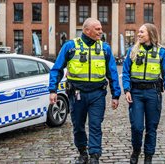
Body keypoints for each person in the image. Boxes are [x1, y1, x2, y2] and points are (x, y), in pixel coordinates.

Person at [48, 18, 121, 164]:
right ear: (87, 30)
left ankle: (94, 156)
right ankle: (82, 153)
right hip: (77, 94)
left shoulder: (105, 48)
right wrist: (53, 90)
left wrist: (115, 95)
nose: (101, 31)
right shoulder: (70, 47)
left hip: (97, 94)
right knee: (78, 126)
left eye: (101, 28)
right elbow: (56, 69)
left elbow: (112, 73)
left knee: (95, 125)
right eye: (97, 29)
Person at [122, 23, 165, 164]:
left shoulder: (161, 52)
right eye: (138, 32)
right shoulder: (132, 51)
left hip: (153, 93)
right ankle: (136, 151)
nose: (138, 34)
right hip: (136, 93)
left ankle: (148, 157)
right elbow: (125, 72)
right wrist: (127, 89)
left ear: (150, 34)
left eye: (141, 32)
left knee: (151, 128)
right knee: (137, 127)